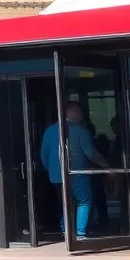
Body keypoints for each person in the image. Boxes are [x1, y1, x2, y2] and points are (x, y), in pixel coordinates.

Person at [39, 102, 108, 238]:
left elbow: (44, 155)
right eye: (80, 113)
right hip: (76, 173)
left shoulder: (49, 130)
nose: (81, 116)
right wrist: (104, 164)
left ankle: (65, 229)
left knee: (67, 202)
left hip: (56, 176)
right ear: (74, 112)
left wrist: (51, 169)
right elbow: (90, 153)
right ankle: (80, 233)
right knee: (85, 200)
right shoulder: (79, 131)